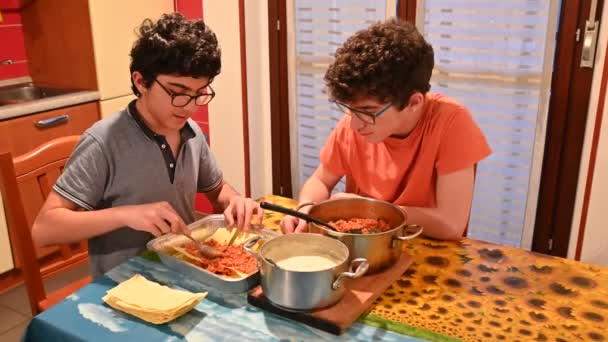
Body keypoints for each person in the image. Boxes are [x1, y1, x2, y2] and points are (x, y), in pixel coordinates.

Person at [32, 13, 263, 277]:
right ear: (141, 82)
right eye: (177, 93)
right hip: (123, 282)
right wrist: (125, 215)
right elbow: (44, 230)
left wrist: (235, 201)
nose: (189, 108)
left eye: (199, 94)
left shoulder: (191, 132)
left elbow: (217, 188)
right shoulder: (104, 141)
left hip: (183, 269)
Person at [281, 19, 491, 240]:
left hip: (425, 249)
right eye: (350, 109)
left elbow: (451, 224)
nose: (354, 124)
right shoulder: (356, 119)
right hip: (363, 246)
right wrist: (306, 208)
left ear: (414, 103)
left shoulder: (452, 123)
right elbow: (321, 180)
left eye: (368, 111)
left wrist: (370, 210)